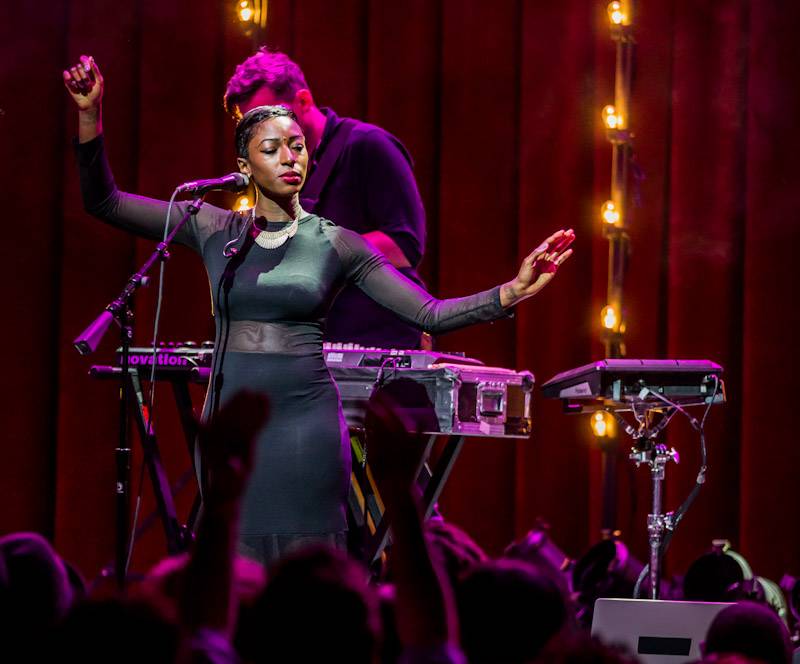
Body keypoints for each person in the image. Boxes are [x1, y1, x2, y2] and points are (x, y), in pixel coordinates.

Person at [63, 55, 574, 566]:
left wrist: (510, 292)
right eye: (271, 149)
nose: (290, 157)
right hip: (232, 424)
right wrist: (91, 115)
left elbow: (430, 314)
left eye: (297, 146)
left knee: (305, 579)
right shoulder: (211, 226)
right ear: (244, 167)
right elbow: (105, 202)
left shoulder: (335, 242)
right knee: (230, 575)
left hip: (306, 428)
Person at [224, 48, 429, 349]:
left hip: (379, 345)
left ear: (303, 101)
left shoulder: (369, 146)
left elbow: (404, 246)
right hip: (313, 343)